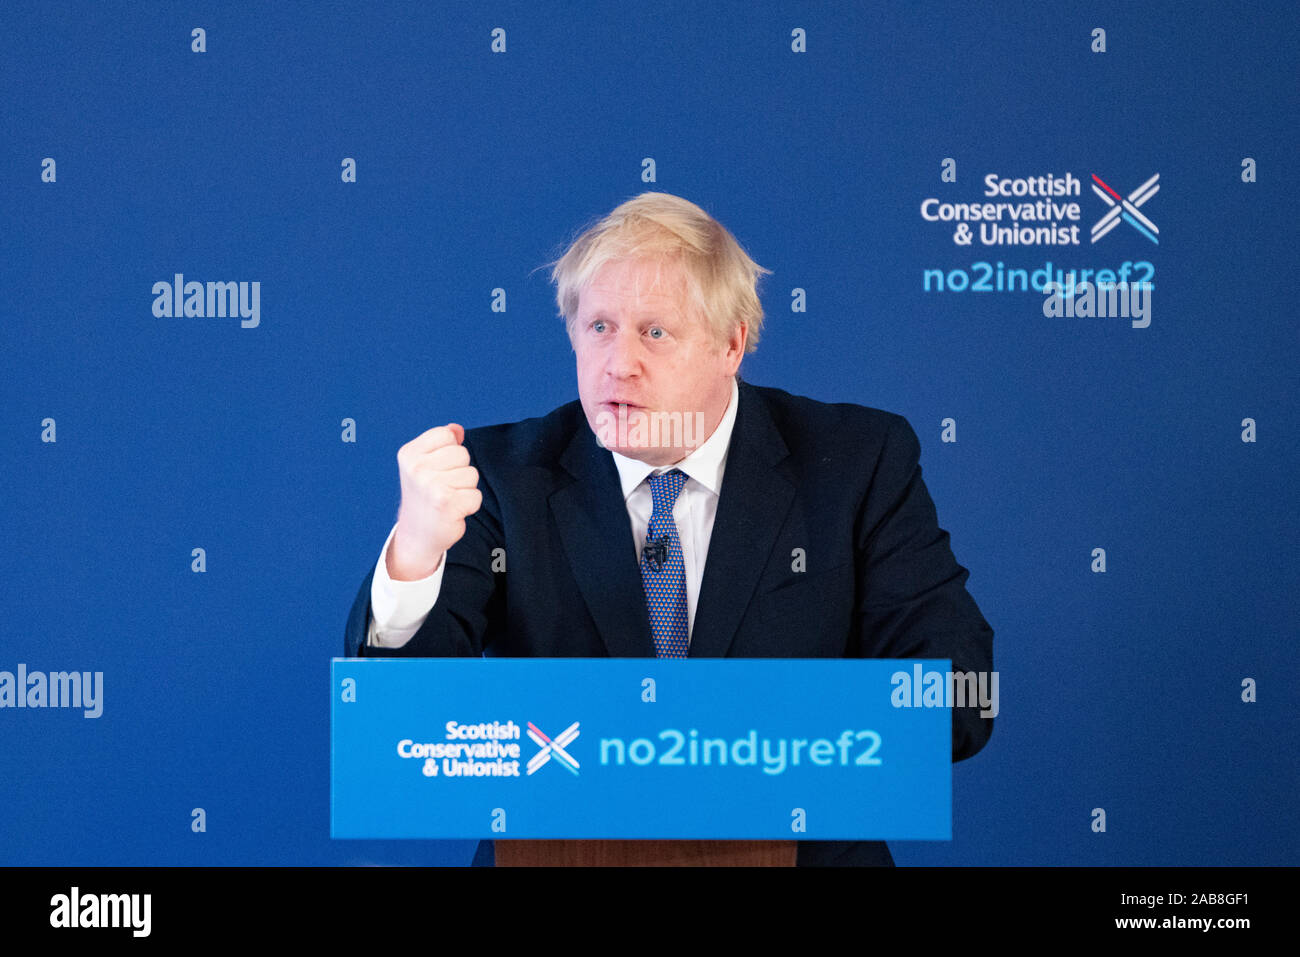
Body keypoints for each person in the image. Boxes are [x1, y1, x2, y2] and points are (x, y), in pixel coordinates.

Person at [343, 191, 994, 866]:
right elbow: (402, 724)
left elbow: (960, 694)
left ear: (731, 344)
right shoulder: (498, 477)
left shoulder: (857, 461)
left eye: (655, 332)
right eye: (600, 326)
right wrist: (415, 553)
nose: (619, 362)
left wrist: (745, 750)